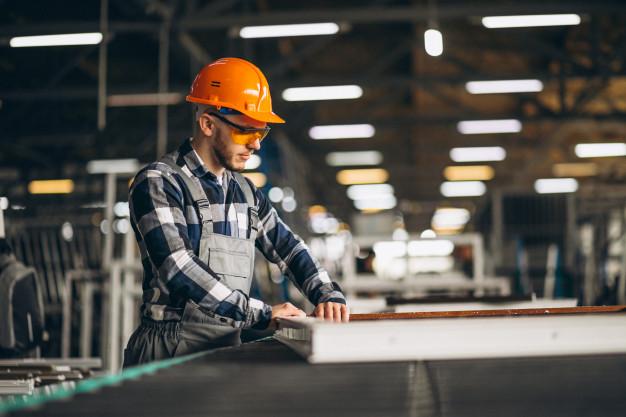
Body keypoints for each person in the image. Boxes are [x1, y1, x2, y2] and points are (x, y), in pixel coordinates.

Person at [123, 57, 349, 367]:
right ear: (208, 124)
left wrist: (327, 293)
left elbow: (289, 247)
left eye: (261, 133)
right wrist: (259, 314)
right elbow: (178, 267)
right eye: (245, 133)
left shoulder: (246, 194)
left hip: (225, 347)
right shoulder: (160, 182)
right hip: (167, 352)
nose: (255, 145)